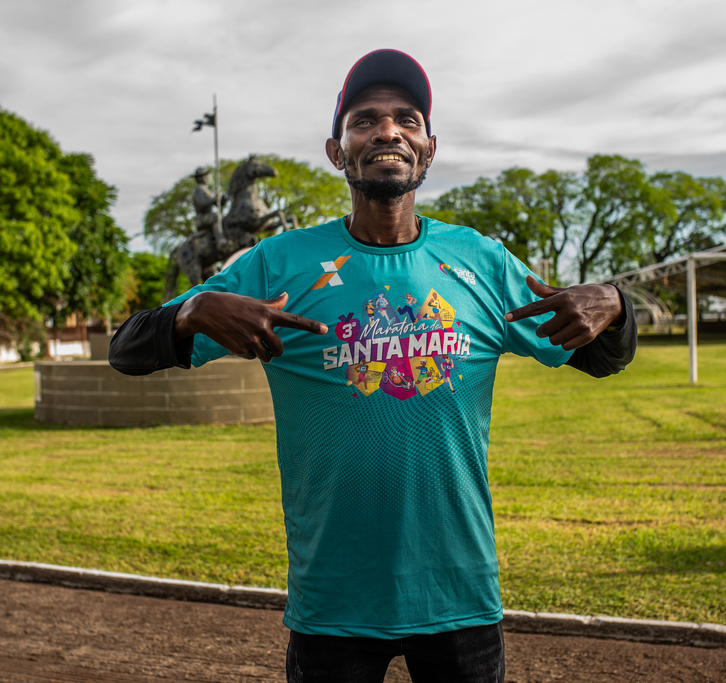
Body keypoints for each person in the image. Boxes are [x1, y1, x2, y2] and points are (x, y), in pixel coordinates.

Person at [110, 49, 636, 683]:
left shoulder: (482, 262)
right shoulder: (277, 265)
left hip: (458, 596)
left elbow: (601, 355)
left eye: (406, 119)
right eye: (365, 120)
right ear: (338, 150)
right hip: (333, 603)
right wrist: (192, 311)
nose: (387, 131)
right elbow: (126, 350)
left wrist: (616, 302)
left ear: (429, 148)